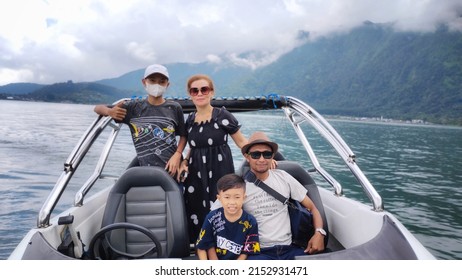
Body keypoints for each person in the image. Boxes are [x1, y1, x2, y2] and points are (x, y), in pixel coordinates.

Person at [178, 74, 248, 243]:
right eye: (195, 90)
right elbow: (193, 147)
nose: (200, 93)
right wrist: (184, 161)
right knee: (196, 210)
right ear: (190, 94)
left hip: (220, 171)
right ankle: (201, 246)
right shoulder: (190, 119)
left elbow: (241, 142)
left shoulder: (222, 115)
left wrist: (261, 157)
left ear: (211, 92)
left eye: (204, 89)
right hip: (196, 175)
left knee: (224, 208)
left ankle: (226, 248)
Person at [241, 131, 326, 260]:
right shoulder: (239, 186)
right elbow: (216, 215)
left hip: (290, 248)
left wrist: (319, 232)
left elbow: (312, 208)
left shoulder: (284, 177)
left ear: (273, 156)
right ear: (247, 157)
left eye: (267, 154)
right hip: (258, 252)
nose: (262, 159)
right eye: (256, 155)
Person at [93, 64, 187, 178]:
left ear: (167, 84)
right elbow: (97, 108)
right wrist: (110, 112)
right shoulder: (133, 107)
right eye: (152, 80)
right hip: (145, 171)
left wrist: (177, 155)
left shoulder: (174, 108)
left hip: (171, 170)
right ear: (144, 82)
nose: (157, 84)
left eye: (161, 81)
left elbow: (183, 135)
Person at [196, 174, 260, 260]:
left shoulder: (250, 222)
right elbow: (202, 247)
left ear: (244, 198)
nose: (232, 202)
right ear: (219, 198)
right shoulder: (211, 218)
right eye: (227, 197)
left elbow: (247, 251)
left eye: (237, 197)